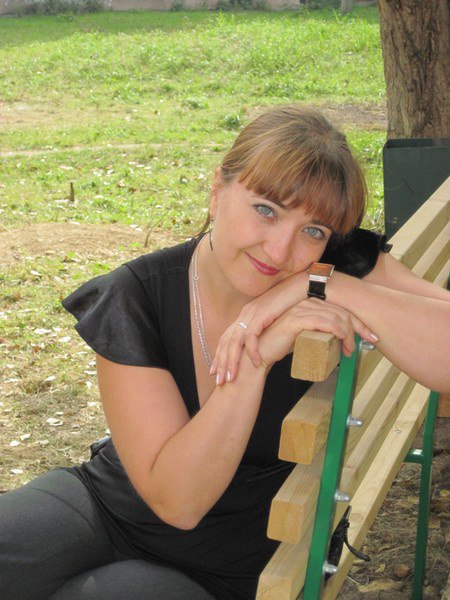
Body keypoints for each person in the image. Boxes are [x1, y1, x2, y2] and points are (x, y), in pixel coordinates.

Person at [1, 106, 449, 600]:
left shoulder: (332, 267)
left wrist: (326, 288)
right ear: (217, 189)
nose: (280, 251)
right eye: (266, 210)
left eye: (313, 231)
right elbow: (163, 489)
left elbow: (182, 505)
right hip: (109, 504)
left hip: (237, 560)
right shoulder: (137, 296)